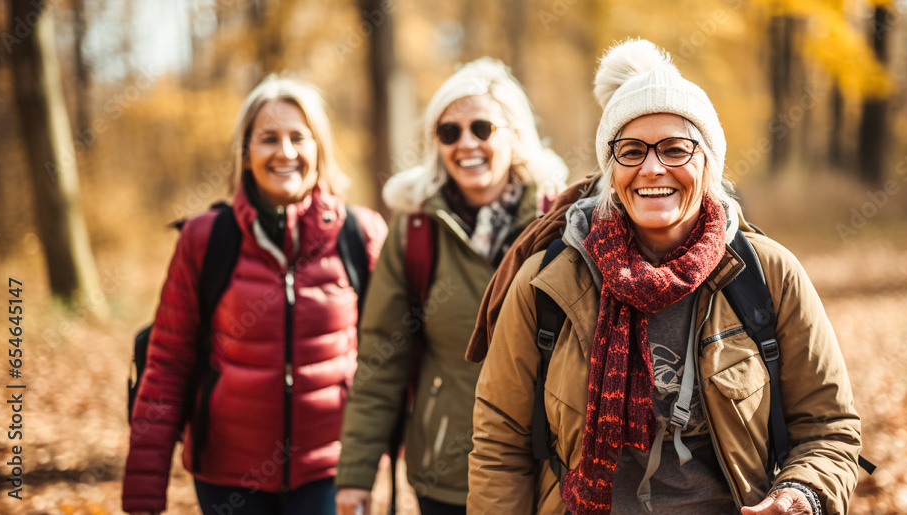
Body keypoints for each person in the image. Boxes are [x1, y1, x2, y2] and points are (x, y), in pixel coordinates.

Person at [468, 39, 862, 515]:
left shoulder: (767, 274)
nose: (653, 167)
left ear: (707, 163)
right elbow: (500, 443)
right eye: (631, 150)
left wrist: (802, 495)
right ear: (611, 169)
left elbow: (828, 426)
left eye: (675, 149)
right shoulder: (547, 282)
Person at [122, 76, 388, 515]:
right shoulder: (205, 239)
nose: (285, 152)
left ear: (319, 147)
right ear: (245, 153)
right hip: (227, 476)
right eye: (268, 139)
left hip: (331, 471)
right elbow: (167, 362)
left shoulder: (360, 234)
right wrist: (143, 492)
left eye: (298, 137)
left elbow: (391, 361)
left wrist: (379, 458)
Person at [335, 58, 569, 515]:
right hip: (448, 476)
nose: (466, 144)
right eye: (449, 132)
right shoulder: (414, 234)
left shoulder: (561, 223)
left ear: (516, 134)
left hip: (554, 473)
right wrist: (356, 476)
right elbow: (382, 359)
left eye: (482, 128)